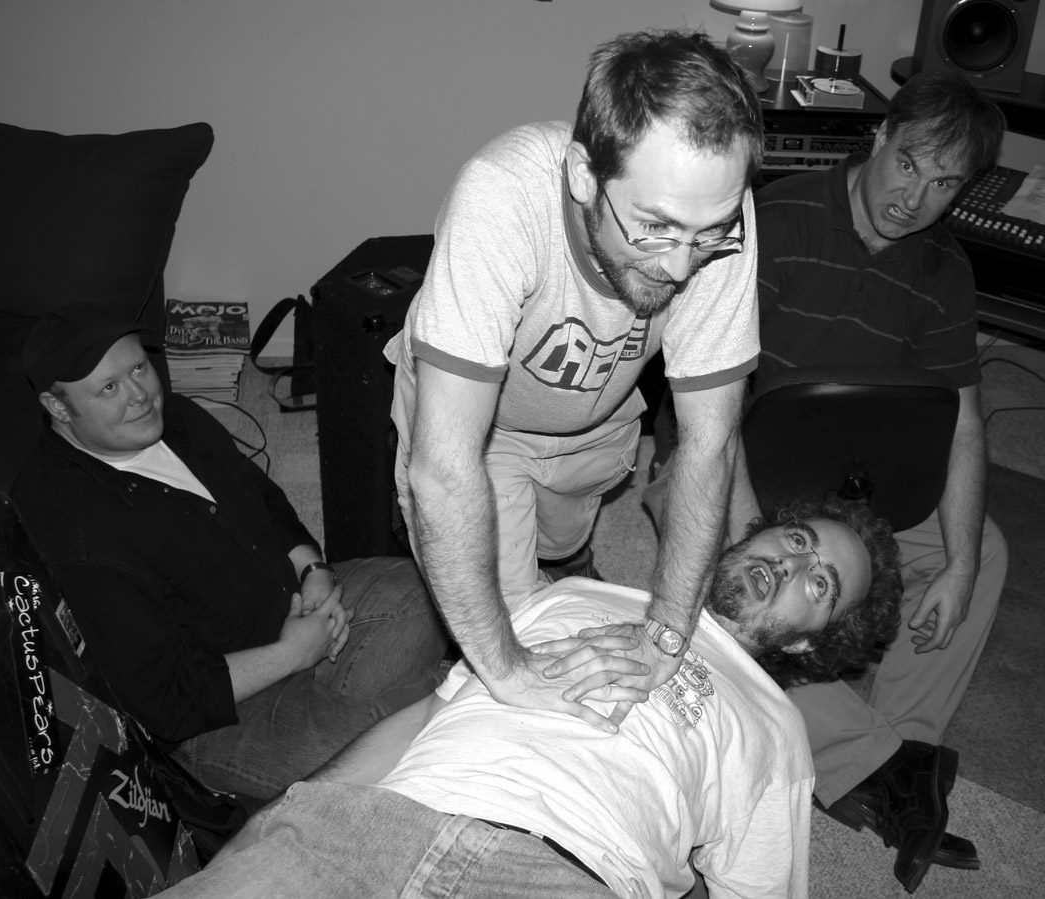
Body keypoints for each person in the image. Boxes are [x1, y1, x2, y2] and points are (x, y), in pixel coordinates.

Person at [154, 497, 904, 899]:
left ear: (809, 642)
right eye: (798, 540)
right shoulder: (575, 594)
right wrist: (288, 810)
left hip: (562, 872)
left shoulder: (773, 727)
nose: (794, 564)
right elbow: (429, 713)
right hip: (378, 824)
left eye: (820, 584)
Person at [646, 70, 1008, 892]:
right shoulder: (774, 221)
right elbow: (713, 393)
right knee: (741, 608)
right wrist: (749, 537)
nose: (914, 196)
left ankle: (902, 749)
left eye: (944, 183)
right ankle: (884, 771)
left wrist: (956, 565)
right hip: (729, 455)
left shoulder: (944, 270)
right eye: (908, 163)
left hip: (852, 486)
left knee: (981, 548)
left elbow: (964, 422)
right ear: (879, 138)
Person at [385, 29, 765, 730]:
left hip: (601, 411)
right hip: (484, 429)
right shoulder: (501, 195)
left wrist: (667, 635)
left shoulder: (714, 217)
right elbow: (444, 468)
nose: (682, 266)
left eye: (708, 234)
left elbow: (709, 445)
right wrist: (507, 667)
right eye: (655, 227)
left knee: (564, 547)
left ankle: (562, 560)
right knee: (521, 632)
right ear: (584, 175)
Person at [10, 301, 450, 801]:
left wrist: (313, 569)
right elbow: (164, 704)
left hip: (293, 608)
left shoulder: (177, 417)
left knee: (431, 588)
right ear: (58, 408)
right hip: (222, 714)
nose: (139, 395)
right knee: (401, 746)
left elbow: (262, 497)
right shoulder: (75, 535)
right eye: (109, 388)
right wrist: (291, 653)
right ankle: (386, 718)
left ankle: (366, 709)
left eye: (138, 368)